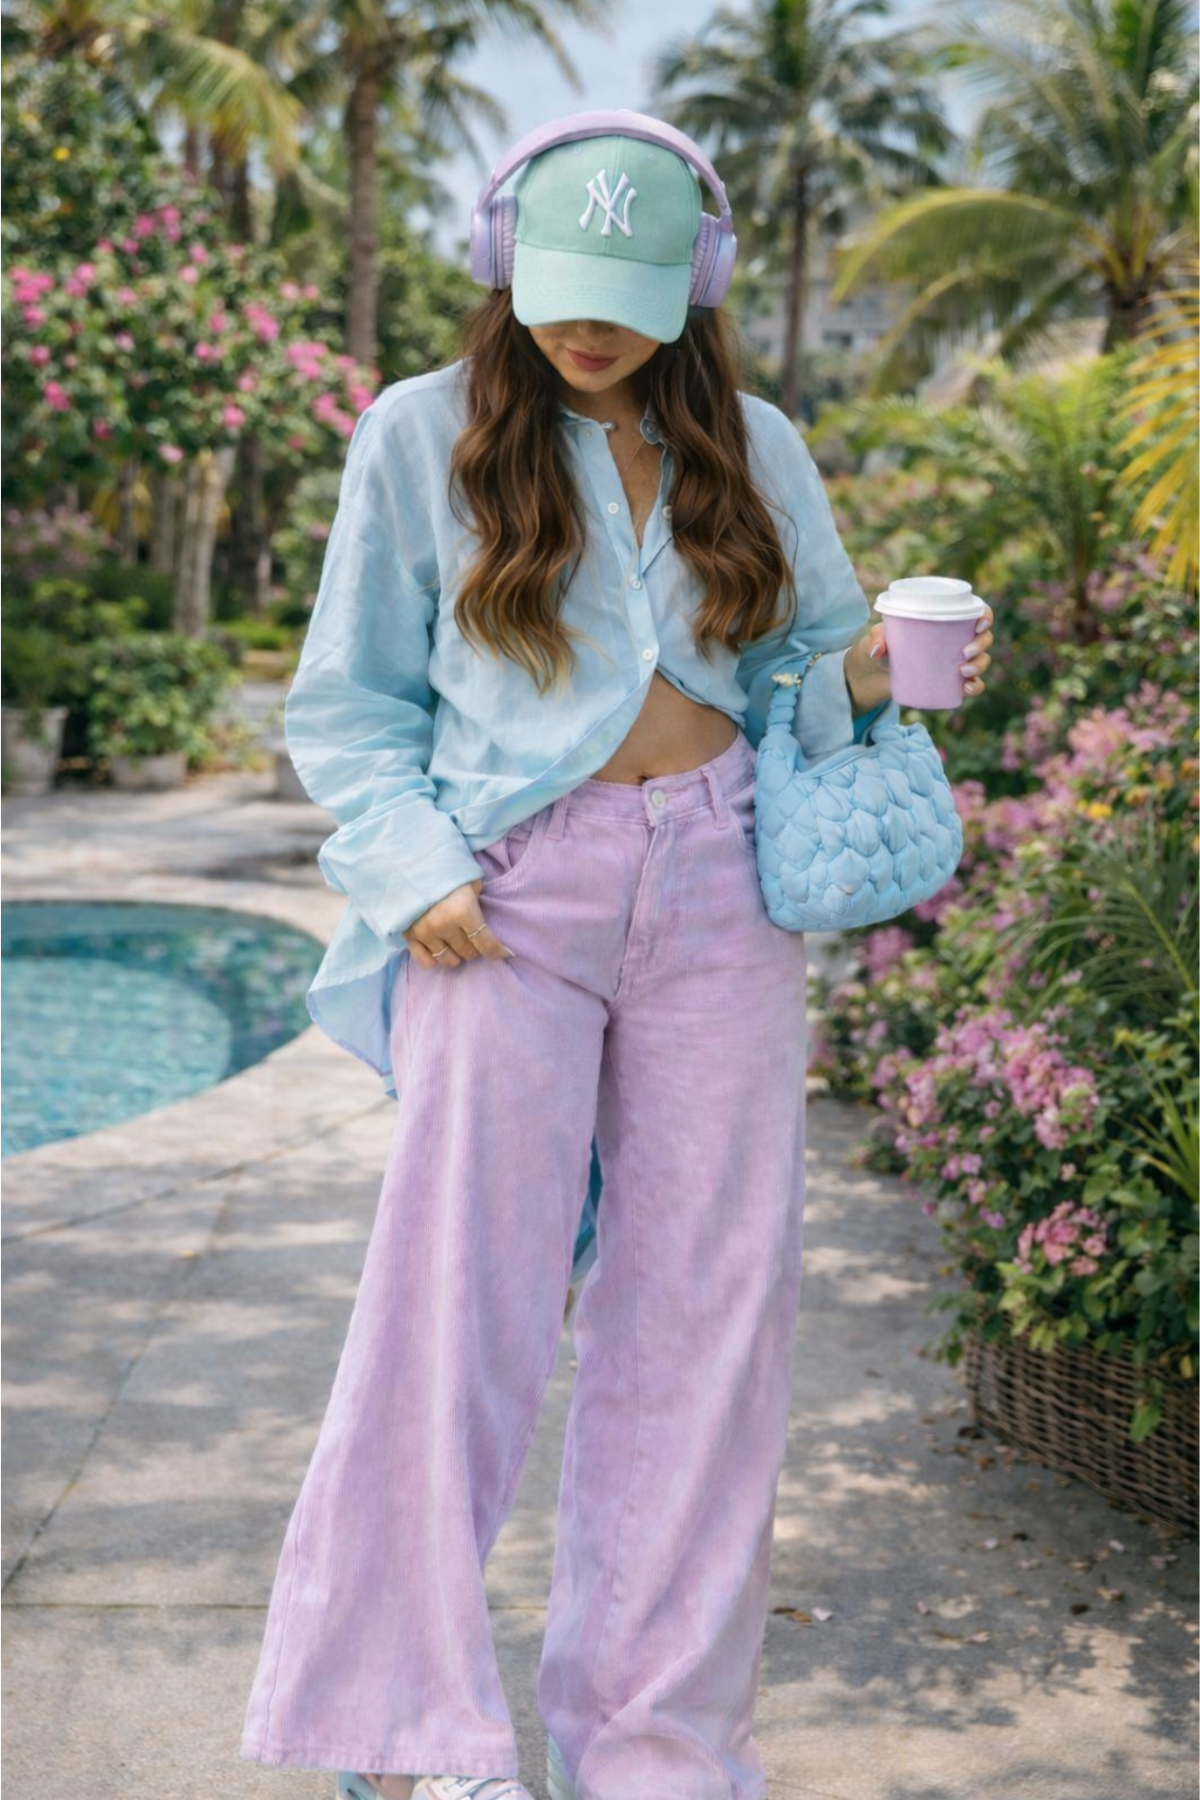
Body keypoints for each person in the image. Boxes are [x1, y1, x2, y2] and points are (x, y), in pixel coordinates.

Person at [239, 112, 994, 1800]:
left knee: (707, 1326)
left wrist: (878, 670)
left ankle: (655, 1744)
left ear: (699, 281)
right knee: (457, 1314)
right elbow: (350, 703)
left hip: (720, 887)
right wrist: (411, 863)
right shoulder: (419, 434)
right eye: (565, 290)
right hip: (505, 901)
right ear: (510, 262)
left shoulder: (755, 444)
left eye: (633, 296)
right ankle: (411, 1734)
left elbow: (802, 672)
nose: (590, 328)